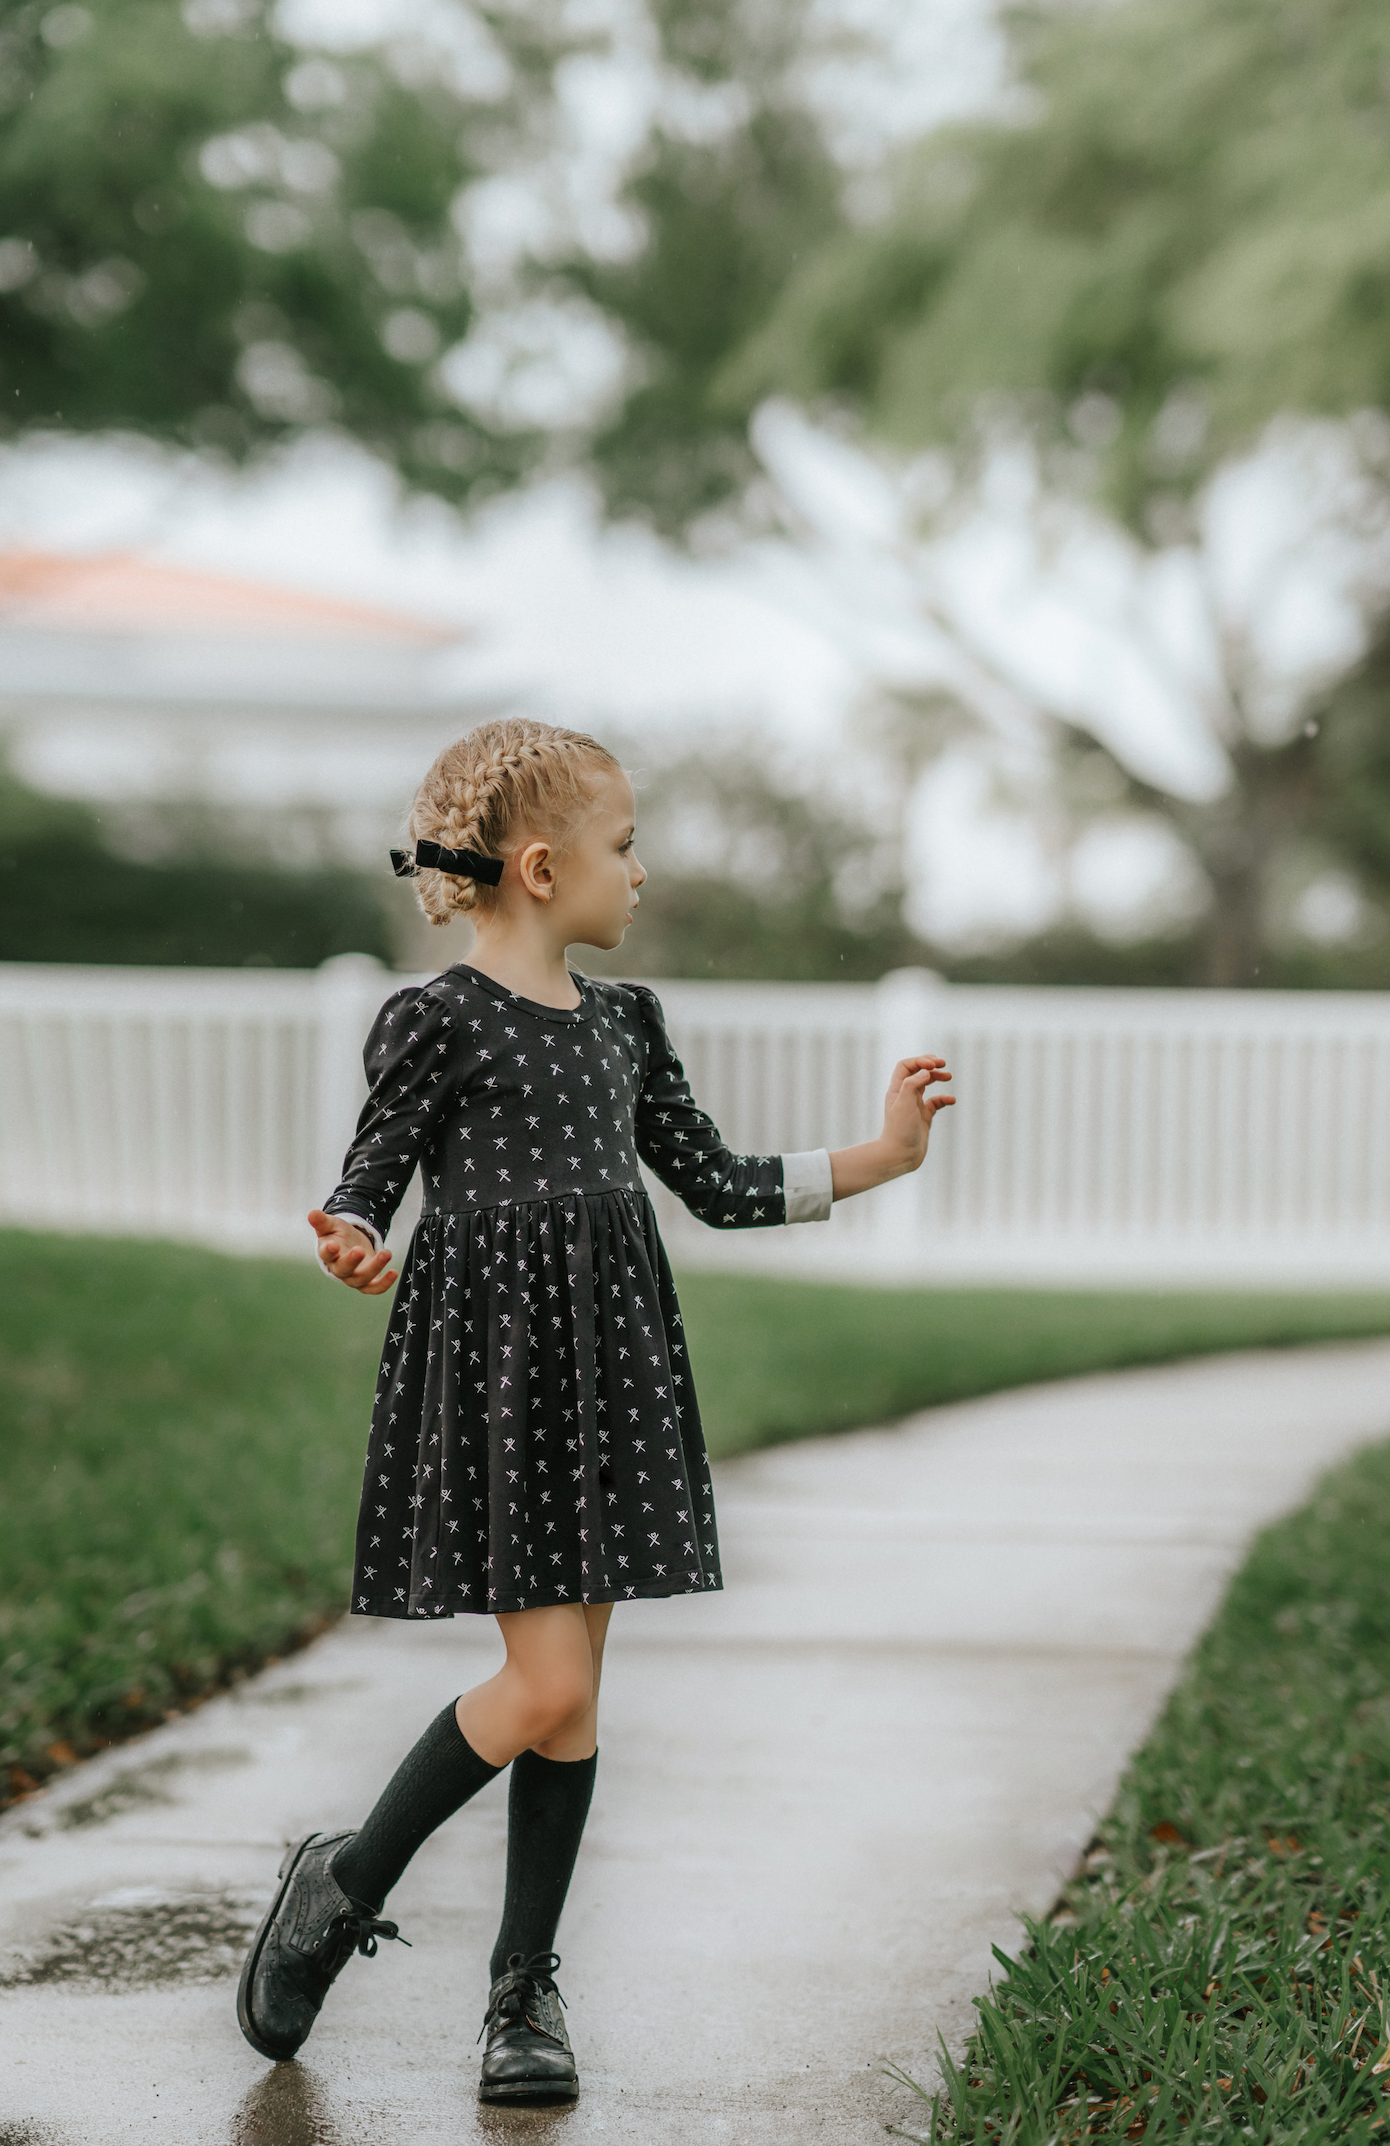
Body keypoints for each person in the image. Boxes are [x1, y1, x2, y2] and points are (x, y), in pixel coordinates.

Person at [236, 717, 954, 2103]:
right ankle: (345, 1876)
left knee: (570, 1708)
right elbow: (366, 1175)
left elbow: (724, 1180)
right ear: (544, 862)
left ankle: (520, 1994)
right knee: (546, 1681)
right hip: (501, 1379)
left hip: (611, 1373)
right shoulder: (437, 1017)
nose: (643, 871)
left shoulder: (626, 1023)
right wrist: (346, 1232)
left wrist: (887, 1153)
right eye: (626, 846)